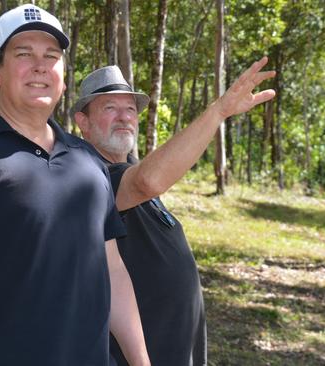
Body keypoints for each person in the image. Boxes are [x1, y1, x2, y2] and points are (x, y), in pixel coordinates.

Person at [0, 4, 149, 366]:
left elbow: (111, 269)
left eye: (51, 56)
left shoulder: (87, 159)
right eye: (23, 53)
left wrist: (141, 361)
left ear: (63, 74)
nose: (40, 66)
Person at [72, 59, 276, 365]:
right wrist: (217, 111)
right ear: (83, 122)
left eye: (130, 109)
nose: (124, 117)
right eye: (110, 107)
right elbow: (147, 182)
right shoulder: (88, 174)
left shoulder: (126, 169)